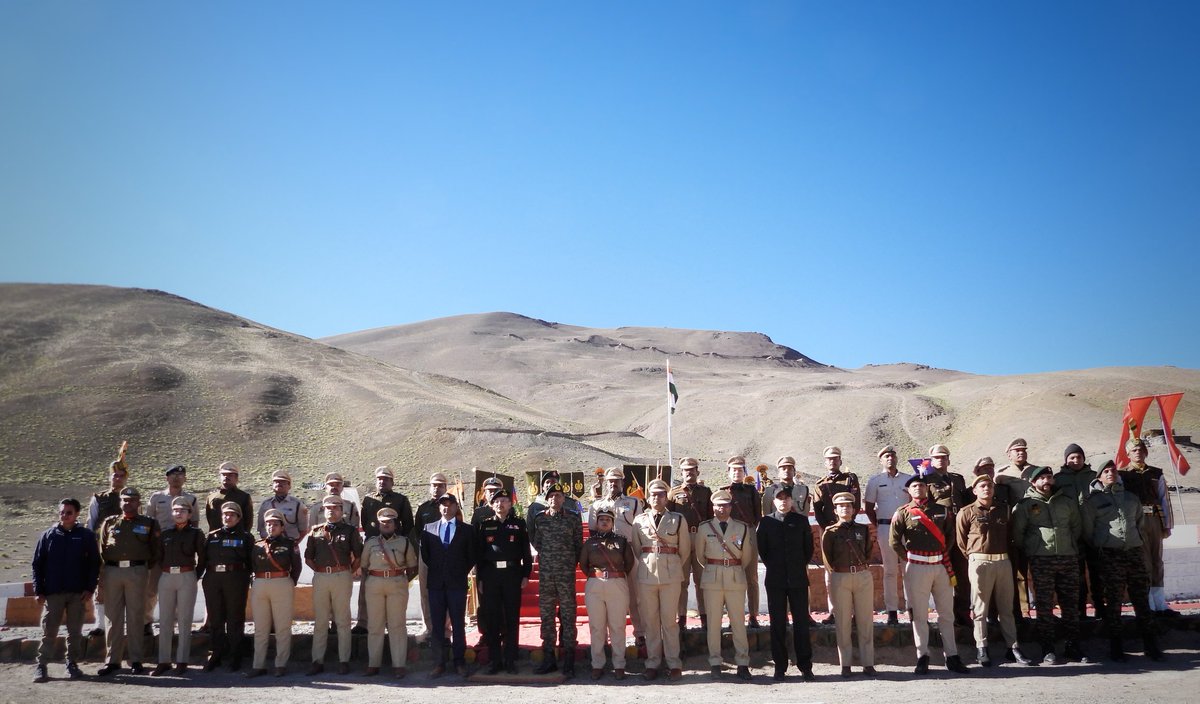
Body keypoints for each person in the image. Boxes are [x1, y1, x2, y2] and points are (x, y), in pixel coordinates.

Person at [1081, 460, 1164, 662]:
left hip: (1133, 553)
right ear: (1099, 477)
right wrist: (1104, 544)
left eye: (1113, 470)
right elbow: (1088, 531)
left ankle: (1150, 644)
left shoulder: (1131, 498)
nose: (1111, 474)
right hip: (1110, 555)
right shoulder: (1092, 501)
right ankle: (1116, 646)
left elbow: (1139, 524)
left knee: (1141, 599)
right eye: (1106, 471)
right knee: (1114, 601)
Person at [890, 475, 969, 675]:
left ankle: (952, 656)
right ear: (909, 490)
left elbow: (950, 535)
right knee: (919, 614)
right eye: (915, 486)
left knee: (946, 613)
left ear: (928, 489)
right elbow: (894, 541)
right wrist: (909, 557)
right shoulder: (902, 513)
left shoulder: (941, 510)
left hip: (940, 566)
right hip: (916, 567)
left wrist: (942, 553)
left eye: (922, 486)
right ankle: (922, 656)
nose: (919, 489)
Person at [1010, 465, 1088, 665]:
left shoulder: (1066, 502)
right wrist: (1033, 548)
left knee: (1070, 604)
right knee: (1044, 605)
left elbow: (1076, 527)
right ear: (1033, 482)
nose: (1046, 481)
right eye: (1041, 478)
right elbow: (1018, 534)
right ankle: (1048, 648)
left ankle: (1073, 646)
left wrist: (1067, 544)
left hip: (1067, 557)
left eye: (1049, 477)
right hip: (1041, 559)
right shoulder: (1025, 505)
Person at [955, 475, 1033, 667]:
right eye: (982, 486)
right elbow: (960, 541)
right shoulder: (966, 512)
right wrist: (974, 557)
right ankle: (982, 647)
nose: (986, 488)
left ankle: (1013, 648)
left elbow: (1011, 536)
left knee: (1006, 608)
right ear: (974, 491)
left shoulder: (1004, 509)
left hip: (1003, 561)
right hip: (980, 562)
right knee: (980, 608)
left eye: (989, 485)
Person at [32, 498, 100, 683]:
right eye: (62, 512)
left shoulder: (85, 535)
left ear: (77, 514)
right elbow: (37, 564)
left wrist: (89, 588)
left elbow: (94, 564)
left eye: (69, 512)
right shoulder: (48, 535)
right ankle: (42, 665)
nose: (64, 515)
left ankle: (72, 663)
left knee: (75, 631)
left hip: (77, 592)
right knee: (49, 630)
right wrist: (39, 590)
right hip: (53, 592)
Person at [96, 487, 161, 676]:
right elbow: (102, 549)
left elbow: (156, 550)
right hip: (113, 571)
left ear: (138, 503)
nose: (128, 503)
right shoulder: (110, 523)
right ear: (120, 502)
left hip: (137, 571)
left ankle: (136, 660)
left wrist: (143, 568)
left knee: (135, 616)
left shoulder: (149, 523)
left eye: (132, 500)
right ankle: (112, 661)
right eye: (124, 500)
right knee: (113, 617)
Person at [630, 478, 690, 681]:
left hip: (671, 575)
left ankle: (674, 663)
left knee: (669, 622)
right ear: (648, 497)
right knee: (650, 621)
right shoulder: (639, 520)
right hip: (647, 575)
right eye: (653, 494)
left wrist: (670, 565)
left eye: (661, 494)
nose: (657, 497)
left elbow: (684, 549)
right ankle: (653, 663)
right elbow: (638, 550)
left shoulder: (678, 519)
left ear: (666, 497)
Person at [695, 489, 757, 681]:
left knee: (738, 622)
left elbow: (746, 556)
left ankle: (743, 663)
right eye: (717, 505)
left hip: (735, 578)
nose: (721, 508)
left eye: (725, 505)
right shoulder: (704, 528)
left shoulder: (742, 528)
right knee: (713, 623)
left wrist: (730, 567)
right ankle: (715, 662)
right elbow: (700, 556)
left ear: (731, 507)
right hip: (712, 579)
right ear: (713, 507)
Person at [756, 485, 815, 681]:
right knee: (777, 624)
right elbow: (763, 551)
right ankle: (780, 667)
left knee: (801, 624)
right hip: (775, 580)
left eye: (787, 498)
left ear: (791, 501)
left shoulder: (801, 521)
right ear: (773, 501)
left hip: (798, 579)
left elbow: (808, 550)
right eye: (779, 498)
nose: (783, 501)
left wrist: (796, 567)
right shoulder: (766, 523)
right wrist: (777, 567)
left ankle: (805, 666)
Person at [304, 495, 364, 675]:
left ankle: (343, 660)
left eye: (335, 508)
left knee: (343, 620)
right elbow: (308, 558)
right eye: (328, 508)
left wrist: (347, 570)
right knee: (320, 621)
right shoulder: (315, 531)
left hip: (342, 576)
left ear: (341, 510)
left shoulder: (350, 531)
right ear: (324, 510)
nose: (332, 510)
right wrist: (321, 570)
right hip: (321, 576)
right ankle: (317, 660)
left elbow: (358, 556)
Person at [476, 489, 532, 674]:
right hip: (491, 575)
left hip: (512, 574)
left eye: (504, 501)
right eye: (497, 501)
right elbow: (479, 556)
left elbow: (526, 552)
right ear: (492, 505)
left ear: (511, 504)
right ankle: (495, 660)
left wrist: (526, 575)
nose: (501, 504)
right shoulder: (484, 525)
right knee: (492, 617)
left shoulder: (518, 524)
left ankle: (510, 659)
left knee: (511, 617)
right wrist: (480, 579)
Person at [821, 491, 876, 678]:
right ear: (835, 510)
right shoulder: (830, 532)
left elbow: (869, 551)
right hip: (841, 577)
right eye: (841, 506)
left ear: (854, 509)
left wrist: (862, 567)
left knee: (865, 621)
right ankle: (845, 664)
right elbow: (827, 557)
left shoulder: (863, 529)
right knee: (843, 622)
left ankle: (868, 663)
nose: (845, 508)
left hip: (862, 576)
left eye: (848, 505)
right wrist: (837, 573)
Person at [1119, 438, 1176, 617]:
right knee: (1143, 562)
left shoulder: (1156, 473)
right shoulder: (1123, 475)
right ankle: (1147, 602)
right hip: (1136, 520)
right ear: (1128, 454)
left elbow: (1164, 499)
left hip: (1154, 520)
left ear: (1146, 452)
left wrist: (1167, 524)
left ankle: (1160, 601)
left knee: (1157, 560)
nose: (1138, 452)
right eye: (1134, 450)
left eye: (1141, 449)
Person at [531, 482, 583, 677]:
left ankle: (569, 657)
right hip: (546, 575)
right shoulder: (540, 519)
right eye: (551, 496)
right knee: (547, 616)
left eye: (559, 495)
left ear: (564, 498)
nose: (555, 499)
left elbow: (578, 544)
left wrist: (568, 563)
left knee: (568, 616)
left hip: (565, 574)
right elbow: (538, 543)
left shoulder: (573, 518)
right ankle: (549, 658)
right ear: (547, 499)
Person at [421, 493, 476, 678]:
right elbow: (426, 556)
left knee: (458, 624)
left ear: (455, 507)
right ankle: (439, 663)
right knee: (437, 626)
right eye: (443, 505)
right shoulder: (428, 528)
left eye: (450, 504)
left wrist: (457, 571)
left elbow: (471, 557)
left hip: (456, 584)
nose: (446, 508)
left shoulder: (467, 530)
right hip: (436, 584)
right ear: (439, 508)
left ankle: (459, 662)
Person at [361, 507, 419, 677]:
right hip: (375, 584)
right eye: (383, 522)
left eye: (389, 522)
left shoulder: (404, 542)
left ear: (395, 524)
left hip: (397, 584)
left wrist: (399, 581)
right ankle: (373, 664)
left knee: (397, 625)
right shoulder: (371, 543)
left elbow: (412, 566)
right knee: (375, 625)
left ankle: (399, 665)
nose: (386, 525)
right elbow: (364, 566)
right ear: (378, 525)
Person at [589, 467, 644, 644]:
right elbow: (592, 533)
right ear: (605, 482)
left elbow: (641, 529)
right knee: (607, 596)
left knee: (635, 595)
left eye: (617, 480)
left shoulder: (634, 503)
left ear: (622, 482)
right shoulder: (597, 506)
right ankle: (604, 638)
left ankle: (640, 633)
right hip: (606, 554)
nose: (613, 483)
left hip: (629, 551)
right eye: (610, 480)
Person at [152, 496, 205, 676]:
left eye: (182, 510)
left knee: (184, 620)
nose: (178, 513)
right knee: (165, 620)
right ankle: (163, 660)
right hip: (167, 576)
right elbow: (158, 556)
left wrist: (194, 576)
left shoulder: (196, 534)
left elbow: (203, 558)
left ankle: (182, 660)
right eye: (175, 510)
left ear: (189, 514)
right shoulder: (165, 534)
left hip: (186, 575)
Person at [245, 508, 302, 678]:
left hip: (282, 582)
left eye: (275, 524)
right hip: (261, 583)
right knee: (261, 628)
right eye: (268, 524)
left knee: (283, 627)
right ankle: (258, 665)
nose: (271, 527)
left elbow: (296, 567)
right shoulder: (257, 545)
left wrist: (289, 582)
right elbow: (252, 566)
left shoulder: (290, 544)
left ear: (282, 527)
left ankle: (281, 664)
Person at [580, 508, 635, 680]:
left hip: (617, 583)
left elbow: (629, 563)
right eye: (601, 519)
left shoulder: (622, 541)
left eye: (608, 520)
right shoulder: (589, 543)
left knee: (617, 626)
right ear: (596, 523)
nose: (604, 522)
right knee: (597, 627)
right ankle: (597, 664)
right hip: (595, 584)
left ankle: (619, 664)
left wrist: (615, 576)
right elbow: (583, 564)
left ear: (612, 523)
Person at [360, 465, 414, 634]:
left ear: (392, 481)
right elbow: (365, 523)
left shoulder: (401, 500)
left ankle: (393, 624)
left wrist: (399, 545)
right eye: (379, 479)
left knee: (394, 595)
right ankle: (363, 622)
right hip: (373, 551)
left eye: (386, 479)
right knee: (365, 587)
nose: (382, 481)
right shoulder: (368, 500)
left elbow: (408, 526)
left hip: (394, 551)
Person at [145, 464, 199, 632]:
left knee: (177, 589)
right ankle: (146, 622)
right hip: (157, 549)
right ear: (166, 477)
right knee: (151, 588)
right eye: (173, 474)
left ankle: (174, 625)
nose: (176, 478)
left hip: (180, 551)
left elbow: (195, 523)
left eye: (180, 475)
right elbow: (149, 521)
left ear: (185, 478)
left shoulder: (191, 499)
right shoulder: (156, 497)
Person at [201, 501, 253, 673]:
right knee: (215, 619)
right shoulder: (212, 536)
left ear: (238, 517)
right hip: (213, 579)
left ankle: (235, 656)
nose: (227, 517)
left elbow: (251, 562)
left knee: (235, 619)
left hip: (236, 579)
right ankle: (215, 654)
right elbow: (203, 560)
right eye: (225, 514)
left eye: (231, 514)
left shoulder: (246, 537)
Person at [924, 444, 972, 628]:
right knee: (941, 574)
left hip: (959, 530)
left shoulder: (957, 479)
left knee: (961, 572)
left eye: (943, 457)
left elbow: (966, 503)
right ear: (931, 460)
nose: (941, 460)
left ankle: (963, 612)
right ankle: (945, 613)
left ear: (948, 460)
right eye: (937, 457)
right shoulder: (926, 479)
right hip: (940, 530)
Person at [863, 445, 912, 625]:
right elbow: (869, 507)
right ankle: (892, 611)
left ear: (896, 458)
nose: (890, 458)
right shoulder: (875, 481)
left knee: (909, 569)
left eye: (892, 455)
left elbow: (914, 502)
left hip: (907, 529)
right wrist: (880, 524)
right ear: (881, 460)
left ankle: (912, 608)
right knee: (890, 570)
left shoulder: (908, 479)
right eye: (886, 456)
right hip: (886, 527)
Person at [1054, 444, 1103, 620]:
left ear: (1084, 458)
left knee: (1098, 574)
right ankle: (1080, 610)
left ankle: (1100, 608)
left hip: (1094, 533)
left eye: (1079, 457)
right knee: (1077, 576)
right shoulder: (1057, 479)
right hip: (1072, 535)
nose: (1076, 461)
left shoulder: (1094, 477)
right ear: (1066, 460)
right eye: (1072, 458)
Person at [813, 446, 860, 624]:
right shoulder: (819, 484)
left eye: (835, 458)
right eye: (829, 459)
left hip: (849, 528)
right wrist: (829, 529)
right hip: (829, 531)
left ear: (840, 461)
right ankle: (833, 611)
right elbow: (817, 509)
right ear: (825, 462)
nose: (832, 461)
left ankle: (855, 612)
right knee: (830, 572)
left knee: (852, 569)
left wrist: (847, 524)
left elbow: (856, 503)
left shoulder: (850, 479)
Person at [667, 457, 711, 631]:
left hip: (700, 536)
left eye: (692, 470)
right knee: (682, 581)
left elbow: (709, 517)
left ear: (697, 472)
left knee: (702, 581)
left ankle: (705, 616)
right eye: (686, 470)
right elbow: (669, 518)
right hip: (682, 539)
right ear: (682, 472)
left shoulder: (705, 492)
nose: (689, 473)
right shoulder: (673, 493)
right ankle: (682, 617)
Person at [995, 439, 1037, 620]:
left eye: (1023, 450)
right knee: (1018, 570)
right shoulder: (1002, 475)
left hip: (1036, 526)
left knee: (1039, 570)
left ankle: (1044, 610)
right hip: (1014, 527)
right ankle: (1022, 610)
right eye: (1016, 450)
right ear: (1009, 454)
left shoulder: (1036, 471)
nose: (1021, 453)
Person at [720, 456, 762, 628]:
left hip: (749, 532)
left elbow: (757, 514)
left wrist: (748, 531)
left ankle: (753, 615)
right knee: (732, 578)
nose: (737, 472)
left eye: (740, 469)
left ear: (745, 472)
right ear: (728, 472)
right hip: (730, 534)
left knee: (751, 577)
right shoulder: (723, 491)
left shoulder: (751, 491)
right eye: (734, 469)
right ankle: (733, 616)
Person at [86, 460, 127, 637]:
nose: (117, 479)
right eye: (115, 475)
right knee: (101, 587)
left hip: (126, 551)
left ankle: (124, 625)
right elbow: (90, 523)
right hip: (102, 550)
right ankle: (100, 625)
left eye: (121, 476)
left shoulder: (131, 498)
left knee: (126, 588)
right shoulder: (98, 498)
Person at [411, 471, 450, 642]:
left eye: (440, 485)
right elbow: (417, 531)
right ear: (429, 487)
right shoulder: (423, 508)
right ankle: (429, 628)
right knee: (425, 591)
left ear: (446, 488)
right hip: (426, 555)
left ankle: (445, 629)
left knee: (446, 590)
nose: (437, 488)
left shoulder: (452, 507)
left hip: (447, 555)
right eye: (434, 485)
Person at [256, 470, 308, 540]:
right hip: (270, 545)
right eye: (276, 482)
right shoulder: (265, 504)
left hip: (292, 545)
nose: (279, 484)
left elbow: (303, 530)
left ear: (289, 485)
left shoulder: (297, 504)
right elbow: (261, 528)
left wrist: (296, 545)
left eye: (283, 482)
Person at [204, 461, 253, 533]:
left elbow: (248, 522)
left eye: (230, 475)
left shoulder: (244, 497)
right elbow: (209, 518)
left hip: (237, 538)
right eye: (223, 474)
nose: (226, 477)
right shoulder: (211, 497)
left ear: (236, 478)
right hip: (216, 538)